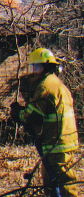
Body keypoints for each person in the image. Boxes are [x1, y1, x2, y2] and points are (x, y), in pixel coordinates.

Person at [10, 47, 80, 197]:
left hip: (57, 144)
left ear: (46, 67)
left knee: (64, 183)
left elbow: (32, 115)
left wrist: (18, 113)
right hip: (59, 141)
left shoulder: (46, 86)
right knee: (51, 182)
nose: (33, 71)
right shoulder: (55, 83)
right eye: (33, 67)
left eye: (36, 67)